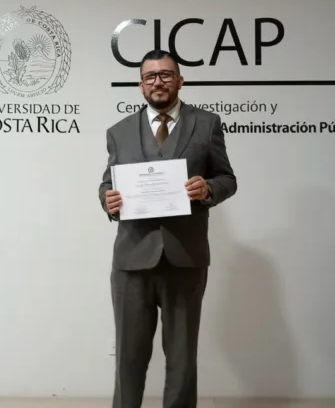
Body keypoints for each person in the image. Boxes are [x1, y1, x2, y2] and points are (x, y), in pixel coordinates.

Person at [98, 49, 238, 408]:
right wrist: (107, 200)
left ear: (180, 80)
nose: (157, 82)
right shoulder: (119, 131)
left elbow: (227, 178)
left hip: (185, 257)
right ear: (140, 85)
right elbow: (108, 183)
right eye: (150, 76)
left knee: (182, 357)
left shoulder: (206, 123)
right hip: (132, 260)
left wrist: (208, 189)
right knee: (128, 357)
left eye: (165, 75)